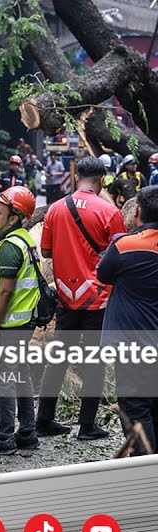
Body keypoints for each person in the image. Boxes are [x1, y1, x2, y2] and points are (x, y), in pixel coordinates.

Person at [37, 155, 124, 441]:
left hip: (66, 296)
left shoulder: (55, 209)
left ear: (76, 177)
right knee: (94, 360)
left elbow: (47, 252)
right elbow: (119, 256)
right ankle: (87, 425)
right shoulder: (109, 212)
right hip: (97, 297)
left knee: (58, 358)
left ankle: (44, 419)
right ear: (101, 181)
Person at [0, 186, 41, 455]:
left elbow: (4, 291)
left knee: (4, 379)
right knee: (21, 376)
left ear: (13, 218)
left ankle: (4, 437)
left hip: (10, 326)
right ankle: (27, 432)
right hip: (24, 323)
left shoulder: (9, 249)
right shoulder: (25, 239)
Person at [97, 186, 158, 455]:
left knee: (135, 409)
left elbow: (103, 275)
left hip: (133, 343)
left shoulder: (125, 245)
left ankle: (145, 474)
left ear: (138, 212)